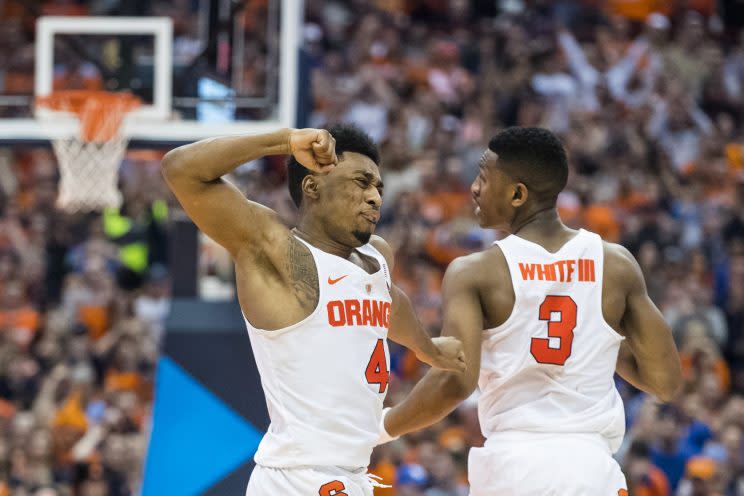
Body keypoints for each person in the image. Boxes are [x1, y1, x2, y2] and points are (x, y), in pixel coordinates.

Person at [161, 124, 465, 495]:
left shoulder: (376, 255)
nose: (375, 198)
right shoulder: (277, 253)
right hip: (298, 477)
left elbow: (390, 303)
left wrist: (427, 348)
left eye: (378, 188)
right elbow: (180, 169)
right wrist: (285, 141)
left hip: (352, 473)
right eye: (361, 182)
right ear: (313, 186)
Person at [378, 127, 682, 495]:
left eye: (484, 177)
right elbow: (665, 381)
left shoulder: (475, 272)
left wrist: (382, 427)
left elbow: (454, 380)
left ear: (518, 194)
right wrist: (594, 335)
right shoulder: (615, 265)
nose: (474, 187)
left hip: (516, 468)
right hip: (592, 469)